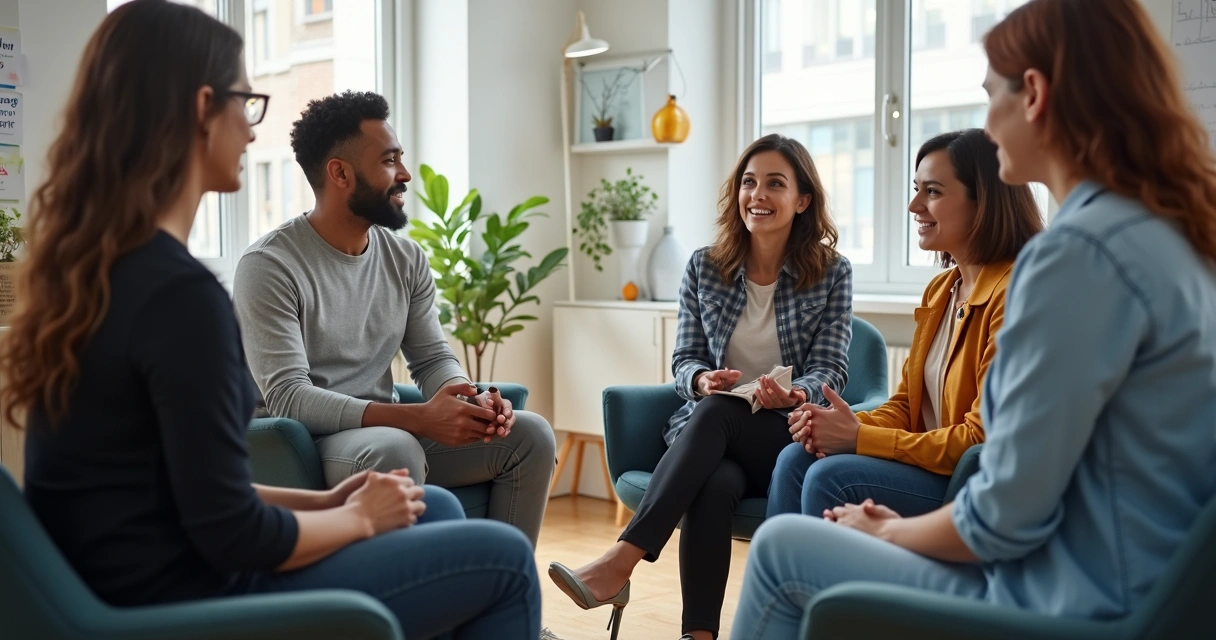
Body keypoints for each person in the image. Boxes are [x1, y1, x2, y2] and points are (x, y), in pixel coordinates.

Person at [0, 3, 540, 638]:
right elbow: (230, 531)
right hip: (186, 599)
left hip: (145, 571)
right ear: (203, 108)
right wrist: (360, 518)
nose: (253, 132)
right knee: (506, 564)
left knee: (437, 507)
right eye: (246, 103)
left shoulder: (105, 272)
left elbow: (188, 495)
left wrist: (334, 501)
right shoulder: (181, 296)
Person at [729, 1, 1216, 638]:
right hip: (1144, 592)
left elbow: (1004, 514)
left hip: (1069, 600)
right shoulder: (1169, 236)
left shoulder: (1075, 256)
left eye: (992, 96)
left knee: (780, 549)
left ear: (1035, 94)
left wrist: (889, 529)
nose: (987, 121)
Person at [550, 133, 853, 640]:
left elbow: (831, 370)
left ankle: (620, 562)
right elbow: (684, 358)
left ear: (802, 200)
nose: (757, 194)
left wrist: (796, 394)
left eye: (775, 184)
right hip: (712, 442)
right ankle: (699, 636)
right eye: (748, 182)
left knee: (718, 413)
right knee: (714, 480)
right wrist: (701, 378)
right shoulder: (704, 266)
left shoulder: (831, 274)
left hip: (784, 436)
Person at [231, 90, 555, 547]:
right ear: (340, 173)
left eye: (400, 158)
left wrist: (464, 400)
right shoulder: (269, 265)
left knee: (532, 434)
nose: (404, 175)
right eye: (388, 161)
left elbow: (431, 358)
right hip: (309, 443)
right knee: (396, 447)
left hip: (387, 432)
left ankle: (505, 610)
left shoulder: (405, 257)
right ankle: (415, 614)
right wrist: (418, 419)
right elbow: (288, 397)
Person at [768, 128, 1042, 519]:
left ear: (984, 201)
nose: (914, 205)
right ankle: (783, 578)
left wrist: (860, 437)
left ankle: (829, 578)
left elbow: (981, 439)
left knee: (831, 477)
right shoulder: (942, 290)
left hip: (970, 482)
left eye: (932, 191)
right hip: (930, 464)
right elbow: (907, 407)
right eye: (917, 189)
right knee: (796, 457)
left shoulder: (1015, 293)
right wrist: (836, 424)